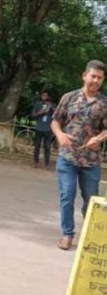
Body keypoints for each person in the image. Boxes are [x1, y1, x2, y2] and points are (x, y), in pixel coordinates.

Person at [51, 60, 107, 250]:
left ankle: (91, 235)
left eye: (100, 78)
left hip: (91, 161)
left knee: (90, 199)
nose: (96, 80)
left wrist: (98, 138)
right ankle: (67, 235)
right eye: (93, 76)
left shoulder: (104, 103)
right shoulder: (69, 97)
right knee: (67, 195)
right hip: (67, 157)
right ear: (84, 75)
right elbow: (55, 122)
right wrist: (59, 135)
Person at [32, 90, 55, 168]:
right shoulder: (38, 105)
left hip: (48, 129)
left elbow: (57, 115)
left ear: (48, 96)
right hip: (39, 128)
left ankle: (47, 163)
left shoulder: (52, 105)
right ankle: (36, 162)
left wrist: (51, 107)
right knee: (37, 146)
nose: (44, 97)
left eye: (46, 95)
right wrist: (41, 112)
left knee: (47, 147)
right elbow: (33, 115)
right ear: (41, 97)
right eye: (43, 95)